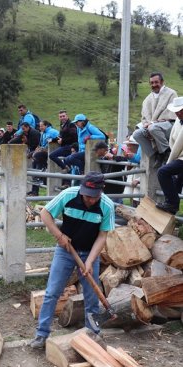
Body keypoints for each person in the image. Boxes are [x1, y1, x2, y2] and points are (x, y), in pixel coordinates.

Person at [29, 172, 115, 349]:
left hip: (90, 252)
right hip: (65, 251)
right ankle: (41, 334)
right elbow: (45, 213)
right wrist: (59, 236)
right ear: (82, 189)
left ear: (101, 191)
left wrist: (90, 261)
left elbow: (102, 236)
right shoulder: (68, 194)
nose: (89, 200)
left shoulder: (107, 205)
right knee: (52, 291)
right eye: (86, 195)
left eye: (93, 197)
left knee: (91, 296)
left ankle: (92, 334)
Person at [132, 72, 177, 168]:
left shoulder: (171, 94)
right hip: (152, 126)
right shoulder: (147, 99)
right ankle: (155, 154)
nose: (154, 85)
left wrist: (152, 123)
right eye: (151, 83)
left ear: (162, 82)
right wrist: (145, 124)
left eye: (156, 82)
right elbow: (144, 117)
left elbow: (172, 115)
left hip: (169, 125)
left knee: (153, 128)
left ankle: (166, 152)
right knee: (137, 134)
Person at [156, 97, 183, 215]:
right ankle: (172, 213)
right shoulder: (178, 120)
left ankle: (172, 203)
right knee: (176, 183)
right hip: (180, 155)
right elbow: (174, 139)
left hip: (180, 156)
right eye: (177, 111)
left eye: (181, 110)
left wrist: (170, 161)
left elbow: (178, 145)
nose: (178, 113)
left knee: (163, 172)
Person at [28, 120, 59, 196]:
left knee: (37, 157)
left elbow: (59, 140)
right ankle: (35, 190)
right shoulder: (42, 133)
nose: (40, 127)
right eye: (39, 126)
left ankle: (40, 177)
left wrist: (45, 148)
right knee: (34, 162)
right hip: (42, 153)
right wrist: (35, 151)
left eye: (42, 126)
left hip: (50, 152)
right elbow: (40, 145)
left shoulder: (53, 132)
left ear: (46, 126)